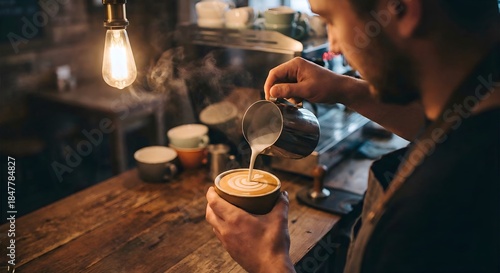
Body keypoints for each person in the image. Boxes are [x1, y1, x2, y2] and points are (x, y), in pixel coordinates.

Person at [206, 0, 500, 272]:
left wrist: (269, 263)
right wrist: (344, 89)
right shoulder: (481, 110)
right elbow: (446, 128)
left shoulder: (429, 213)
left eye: (332, 20)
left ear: (401, 7)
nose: (333, 45)